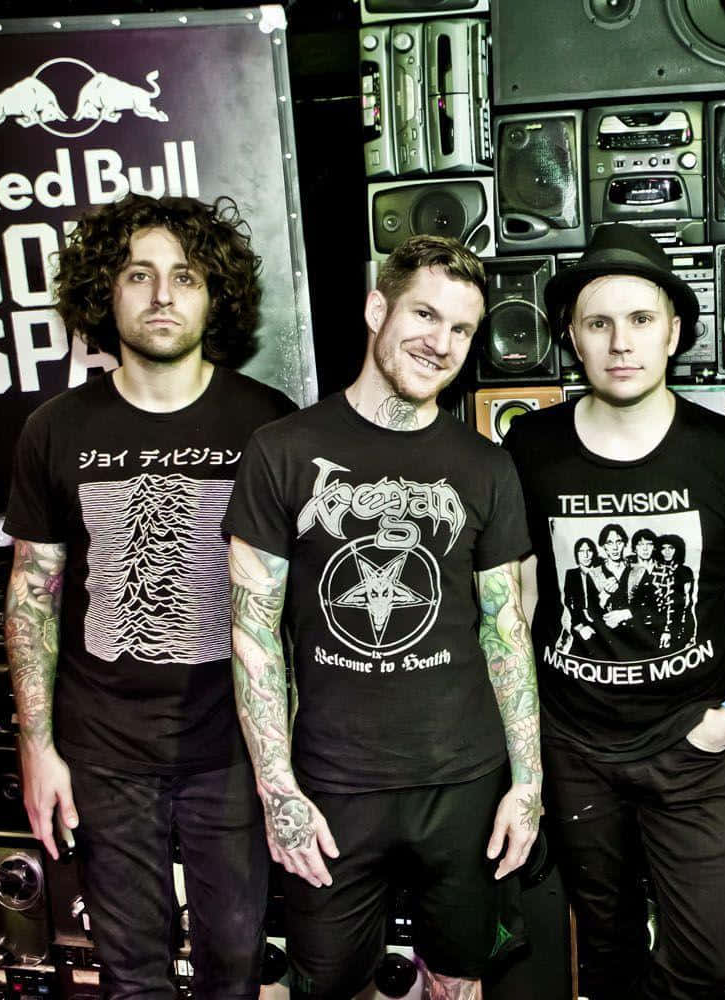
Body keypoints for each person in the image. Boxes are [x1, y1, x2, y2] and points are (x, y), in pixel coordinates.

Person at [222, 235, 541, 1000]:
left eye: (462, 329)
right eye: (425, 314)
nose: (441, 343)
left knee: (458, 981)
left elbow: (506, 628)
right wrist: (278, 791)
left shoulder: (486, 465)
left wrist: (527, 781)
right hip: (332, 787)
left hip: (464, 782)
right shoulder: (282, 451)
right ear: (377, 308)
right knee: (328, 986)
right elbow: (252, 630)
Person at [3, 194, 296, 998]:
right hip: (103, 747)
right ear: (107, 291)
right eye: (140, 274)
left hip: (229, 745)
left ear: (215, 296)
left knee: (235, 966)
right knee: (131, 974)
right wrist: (38, 748)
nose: (163, 295)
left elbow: (289, 610)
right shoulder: (55, 429)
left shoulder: (267, 423)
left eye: (186, 276)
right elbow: (34, 591)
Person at [501, 222, 725, 999]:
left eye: (640, 320)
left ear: (674, 331)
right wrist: (528, 747)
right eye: (599, 323)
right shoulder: (531, 448)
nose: (620, 342)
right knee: (607, 956)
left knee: (701, 962)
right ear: (572, 336)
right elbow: (518, 599)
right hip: (575, 745)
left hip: (690, 747)